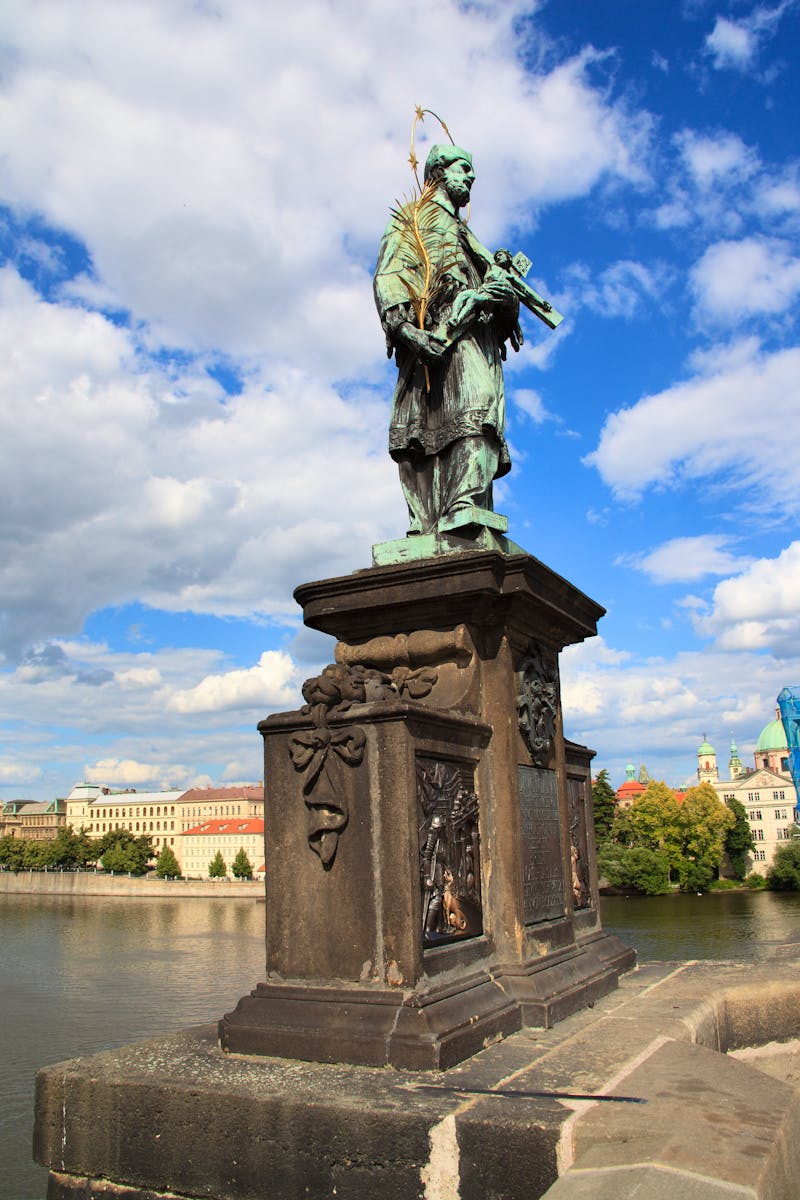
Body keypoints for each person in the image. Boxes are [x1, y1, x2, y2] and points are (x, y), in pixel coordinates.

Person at [374, 144, 521, 537]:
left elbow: (502, 304)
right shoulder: (415, 219)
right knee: (470, 406)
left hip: (476, 336)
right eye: (463, 169)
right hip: (438, 335)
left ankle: (465, 504)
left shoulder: (470, 238)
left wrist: (504, 298)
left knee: (481, 412)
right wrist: (407, 330)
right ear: (439, 172)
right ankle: (443, 512)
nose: (470, 177)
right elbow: (390, 274)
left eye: (471, 171)